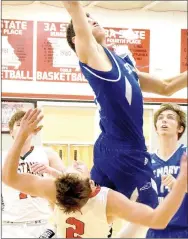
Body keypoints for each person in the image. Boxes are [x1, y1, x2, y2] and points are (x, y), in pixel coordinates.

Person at [64, 0, 187, 213]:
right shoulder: (90, 55)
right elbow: (73, 5)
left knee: (98, 217)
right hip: (126, 153)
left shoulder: (124, 64)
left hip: (112, 149)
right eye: (87, 20)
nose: (93, 21)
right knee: (151, 216)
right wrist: (77, 13)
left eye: (95, 19)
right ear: (77, 38)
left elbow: (167, 87)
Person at [2, 108, 188, 238]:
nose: (76, 164)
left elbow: (9, 177)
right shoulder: (108, 200)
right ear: (90, 181)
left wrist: (20, 137)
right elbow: (159, 220)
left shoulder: (55, 192)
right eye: (77, 168)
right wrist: (181, 183)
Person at [2, 110, 65, 238]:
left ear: (35, 130)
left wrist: (50, 171)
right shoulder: (2, 156)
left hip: (42, 222)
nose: (24, 128)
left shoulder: (47, 153)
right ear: (11, 132)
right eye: (19, 124)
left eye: (29, 125)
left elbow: (69, 183)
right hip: (10, 224)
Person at [146, 103, 188, 238]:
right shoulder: (146, 162)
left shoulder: (185, 155)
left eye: (170, 117)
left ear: (180, 128)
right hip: (154, 232)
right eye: (160, 118)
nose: (164, 120)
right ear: (156, 128)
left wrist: (178, 187)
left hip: (183, 231)